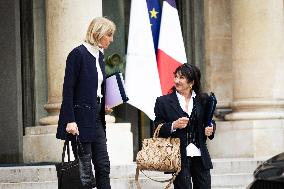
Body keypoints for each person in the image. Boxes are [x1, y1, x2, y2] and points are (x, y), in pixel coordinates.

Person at [56, 17, 116, 189]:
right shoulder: (78, 54)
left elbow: (94, 88)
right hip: (80, 119)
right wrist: (70, 120)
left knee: (103, 165)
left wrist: (103, 105)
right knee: (84, 171)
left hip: (96, 117)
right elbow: (68, 90)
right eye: (109, 35)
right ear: (98, 33)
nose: (111, 39)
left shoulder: (100, 56)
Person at [154, 63, 216, 189]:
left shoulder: (203, 100)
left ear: (191, 82)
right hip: (178, 156)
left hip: (200, 155)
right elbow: (157, 128)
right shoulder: (163, 102)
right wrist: (174, 125)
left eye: (181, 77)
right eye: (176, 77)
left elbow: (209, 121)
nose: (177, 81)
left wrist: (211, 128)